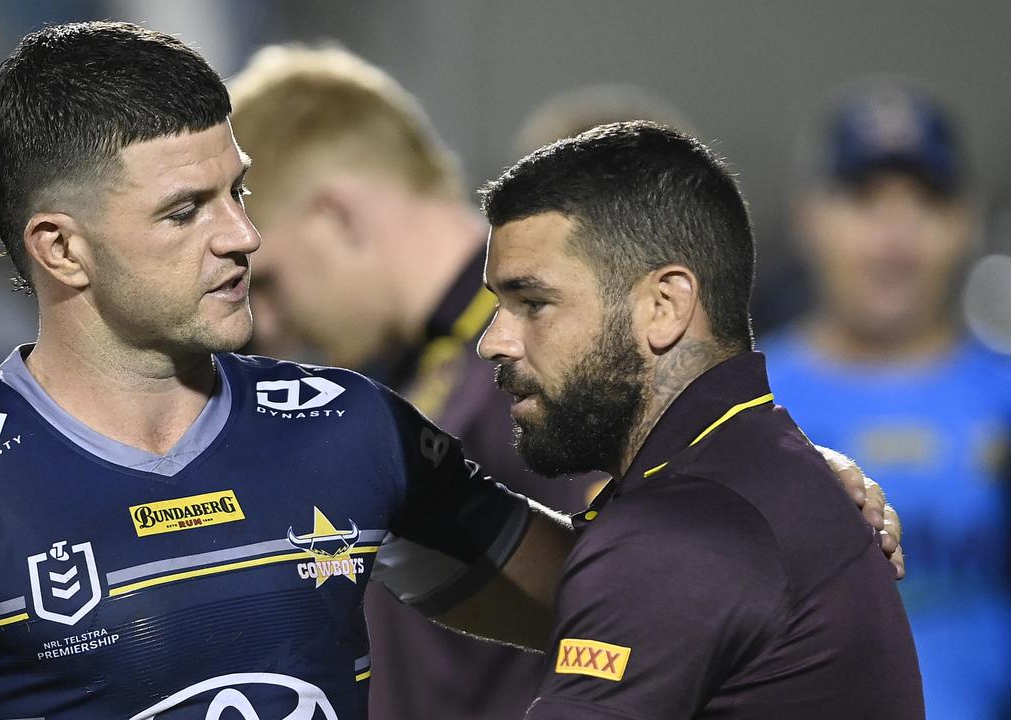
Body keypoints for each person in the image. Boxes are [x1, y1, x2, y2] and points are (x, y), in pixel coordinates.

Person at [0, 25, 894, 720]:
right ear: (60, 248)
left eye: (235, 191)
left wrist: (762, 481)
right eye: (186, 212)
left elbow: (622, 589)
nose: (242, 237)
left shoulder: (343, 428)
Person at [229, 45, 902, 720]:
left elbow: (669, 565)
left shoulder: (551, 390)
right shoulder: (418, 377)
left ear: (335, 215)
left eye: (531, 302)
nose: (266, 321)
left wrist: (750, 493)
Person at [478, 121, 924, 718]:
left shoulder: (683, 533)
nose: (493, 342)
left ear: (665, 306)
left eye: (533, 304)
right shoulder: (755, 473)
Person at [763, 81, 1011, 719]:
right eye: (865, 200)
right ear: (810, 217)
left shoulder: (1004, 398)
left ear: (965, 222)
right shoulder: (739, 397)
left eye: (925, 202)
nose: (895, 238)